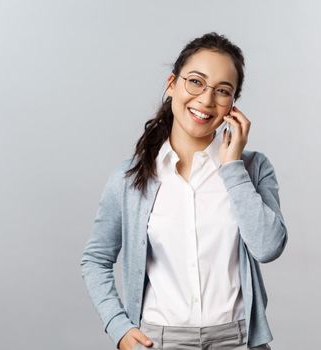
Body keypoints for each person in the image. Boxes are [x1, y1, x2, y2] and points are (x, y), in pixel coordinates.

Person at [81, 32, 288, 350]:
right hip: (160, 341)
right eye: (195, 82)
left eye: (222, 91)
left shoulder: (254, 168)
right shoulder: (129, 178)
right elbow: (96, 258)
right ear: (172, 84)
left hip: (238, 340)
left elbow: (268, 247)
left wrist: (232, 168)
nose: (206, 100)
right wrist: (119, 328)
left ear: (232, 105)